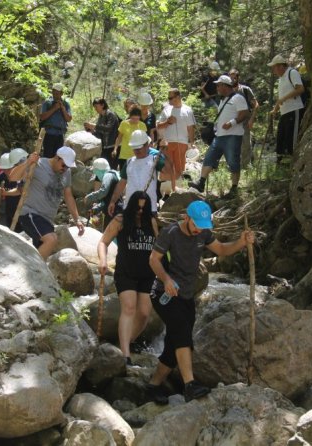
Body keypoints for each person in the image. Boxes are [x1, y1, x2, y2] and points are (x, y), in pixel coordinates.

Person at [145, 200, 255, 404]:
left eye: (202, 225)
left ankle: (153, 385)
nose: (198, 229)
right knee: (181, 332)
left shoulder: (202, 232)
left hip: (186, 294)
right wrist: (166, 279)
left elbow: (221, 249)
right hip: (163, 292)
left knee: (174, 343)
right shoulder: (170, 233)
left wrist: (241, 242)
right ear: (187, 217)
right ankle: (190, 385)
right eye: (196, 224)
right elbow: (153, 259)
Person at [98, 190, 159, 365]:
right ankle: (125, 355)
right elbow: (103, 241)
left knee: (145, 313)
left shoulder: (152, 221)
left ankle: (125, 341)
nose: (140, 212)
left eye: (143, 208)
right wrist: (103, 260)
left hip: (147, 274)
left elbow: (159, 245)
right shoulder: (120, 220)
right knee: (129, 308)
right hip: (126, 272)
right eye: (137, 208)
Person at [9, 146, 84, 260]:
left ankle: (32, 272)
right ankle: (34, 270)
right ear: (57, 158)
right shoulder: (38, 164)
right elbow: (13, 177)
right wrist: (28, 162)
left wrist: (77, 219)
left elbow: (68, 196)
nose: (65, 169)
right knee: (51, 239)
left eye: (68, 167)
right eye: (63, 165)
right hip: (30, 213)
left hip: (47, 219)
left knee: (40, 252)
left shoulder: (66, 173)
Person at [189, 75, 250, 197]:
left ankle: (234, 188)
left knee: (233, 162)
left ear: (224, 86)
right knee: (209, 158)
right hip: (220, 136)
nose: (216, 87)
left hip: (233, 135)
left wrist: (231, 123)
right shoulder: (222, 100)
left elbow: (245, 114)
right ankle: (201, 183)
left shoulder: (238, 97)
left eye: (218, 85)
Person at [108, 130, 166, 216]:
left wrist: (165, 151)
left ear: (147, 145)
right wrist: (113, 201)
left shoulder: (155, 159)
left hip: (149, 208)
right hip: (129, 207)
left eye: (139, 148)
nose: (137, 151)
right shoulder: (129, 162)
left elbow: (168, 172)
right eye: (135, 148)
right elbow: (121, 183)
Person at [157, 88, 196, 190]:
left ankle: (176, 191)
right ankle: (166, 191)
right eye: (168, 98)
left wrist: (192, 142)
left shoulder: (188, 110)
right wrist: (167, 122)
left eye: (171, 98)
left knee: (179, 170)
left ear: (178, 97)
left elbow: (191, 128)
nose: (169, 101)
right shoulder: (166, 109)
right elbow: (158, 126)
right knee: (166, 170)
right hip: (167, 143)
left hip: (182, 143)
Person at [268, 54, 305, 163]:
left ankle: (292, 164)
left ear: (280, 66)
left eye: (274, 67)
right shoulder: (281, 79)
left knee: (291, 140)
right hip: (285, 112)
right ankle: (281, 164)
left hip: (295, 110)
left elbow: (300, 89)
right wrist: (275, 109)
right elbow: (281, 99)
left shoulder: (292, 73)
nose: (273, 70)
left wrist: (283, 99)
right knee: (281, 139)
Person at [229, 68, 259, 167]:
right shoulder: (228, 92)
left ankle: (246, 165)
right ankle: (235, 165)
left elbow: (256, 104)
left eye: (234, 77)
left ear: (238, 78)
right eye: (230, 78)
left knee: (246, 143)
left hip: (245, 119)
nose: (232, 80)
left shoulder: (245, 90)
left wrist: (252, 119)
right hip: (233, 121)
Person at [84, 158, 122, 228]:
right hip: (112, 210)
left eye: (95, 171)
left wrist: (89, 197)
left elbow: (103, 191)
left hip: (113, 211)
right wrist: (96, 209)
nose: (96, 174)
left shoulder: (108, 175)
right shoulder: (113, 175)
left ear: (98, 170)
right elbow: (107, 199)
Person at [39, 83, 72, 158]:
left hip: (60, 135)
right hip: (49, 134)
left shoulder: (66, 104)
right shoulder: (47, 103)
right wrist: (54, 108)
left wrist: (63, 109)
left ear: (61, 93)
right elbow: (42, 117)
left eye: (57, 94)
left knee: (57, 157)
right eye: (54, 93)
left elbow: (68, 119)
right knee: (47, 156)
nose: (55, 96)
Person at [84, 98, 119, 166]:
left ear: (102, 105)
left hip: (113, 146)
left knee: (111, 167)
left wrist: (94, 126)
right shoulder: (100, 117)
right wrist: (91, 131)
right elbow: (100, 134)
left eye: (96, 106)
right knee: (102, 167)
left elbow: (108, 128)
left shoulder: (110, 114)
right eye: (94, 107)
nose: (95, 109)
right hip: (104, 147)